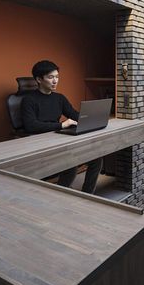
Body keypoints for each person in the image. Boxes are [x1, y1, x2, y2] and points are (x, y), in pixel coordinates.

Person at [21, 60, 102, 194]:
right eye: (50, 77)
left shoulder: (59, 98)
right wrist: (61, 125)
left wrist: (91, 118)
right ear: (39, 79)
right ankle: (61, 193)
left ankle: (87, 194)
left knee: (97, 158)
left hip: (58, 138)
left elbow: (74, 114)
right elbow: (31, 126)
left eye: (57, 77)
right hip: (40, 141)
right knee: (71, 161)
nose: (55, 81)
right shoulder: (29, 100)